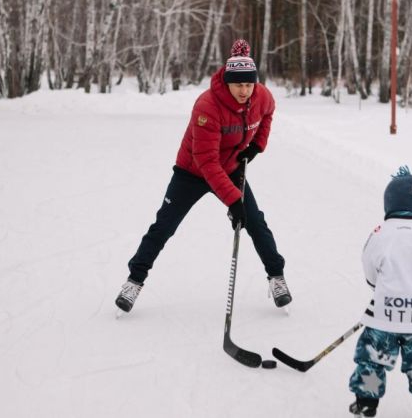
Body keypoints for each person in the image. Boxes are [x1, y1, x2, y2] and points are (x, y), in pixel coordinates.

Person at [115, 39, 292, 313]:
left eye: (249, 85)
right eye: (238, 85)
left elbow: (268, 114)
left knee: (255, 222)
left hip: (232, 167)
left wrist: (257, 145)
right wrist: (234, 201)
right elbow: (207, 161)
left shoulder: (262, 96)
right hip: (193, 172)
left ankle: (276, 276)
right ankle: (134, 280)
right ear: (227, 81)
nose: (244, 91)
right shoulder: (207, 106)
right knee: (164, 226)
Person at [349, 167, 412, 418]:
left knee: (373, 358)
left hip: (385, 318)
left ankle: (367, 402)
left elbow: (370, 271)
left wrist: (379, 288)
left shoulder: (380, 233)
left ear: (388, 203)